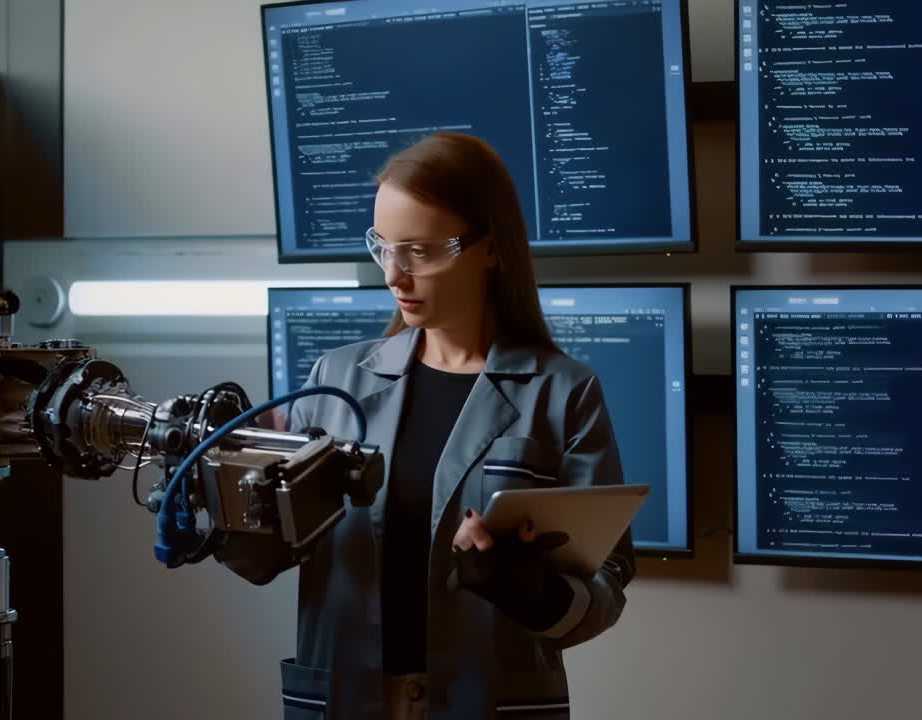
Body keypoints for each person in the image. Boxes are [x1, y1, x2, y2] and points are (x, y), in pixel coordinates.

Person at [217, 131, 635, 719]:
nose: (394, 275)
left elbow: (606, 589)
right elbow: (266, 560)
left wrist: (527, 591)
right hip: (345, 698)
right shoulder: (333, 382)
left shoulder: (564, 393)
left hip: (488, 703)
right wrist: (220, 507)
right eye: (383, 247)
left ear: (490, 247)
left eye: (419, 251)